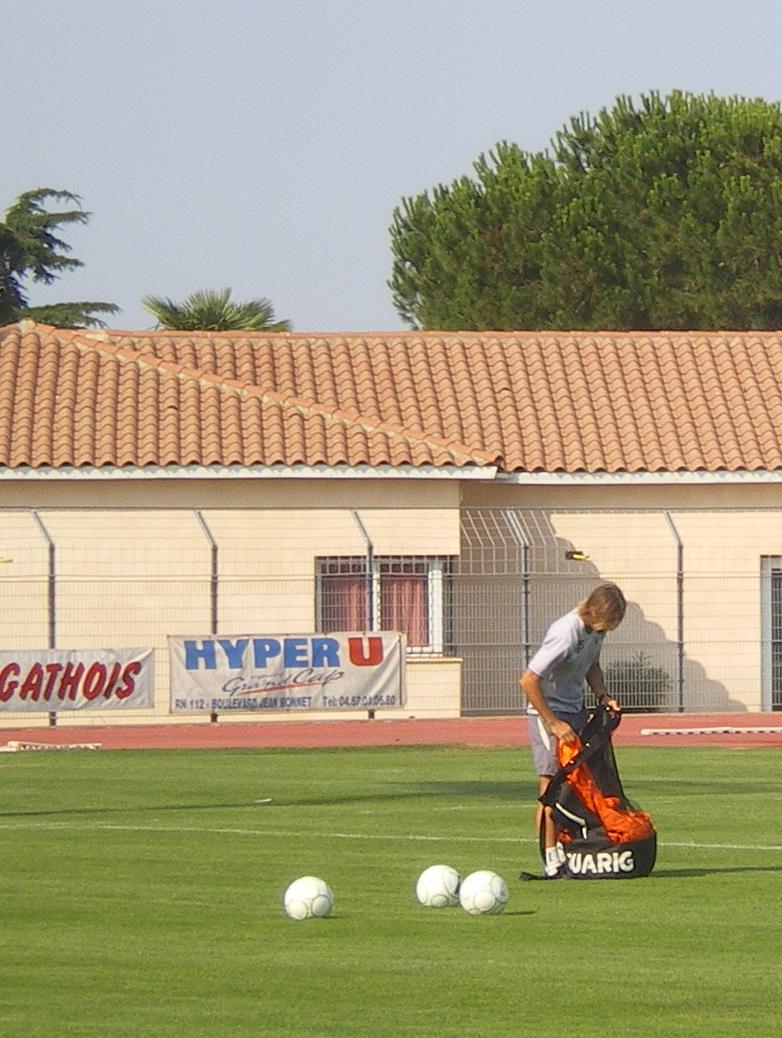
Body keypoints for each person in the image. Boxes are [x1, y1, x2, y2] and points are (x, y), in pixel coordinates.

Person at [519, 583, 626, 878]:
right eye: (606, 624)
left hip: (575, 711)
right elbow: (528, 680)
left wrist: (603, 695)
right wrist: (552, 722)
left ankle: (572, 846)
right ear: (591, 612)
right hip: (548, 714)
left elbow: (592, 665)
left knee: (577, 786)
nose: (606, 631)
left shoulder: (596, 632)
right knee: (550, 785)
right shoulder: (565, 634)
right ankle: (549, 856)